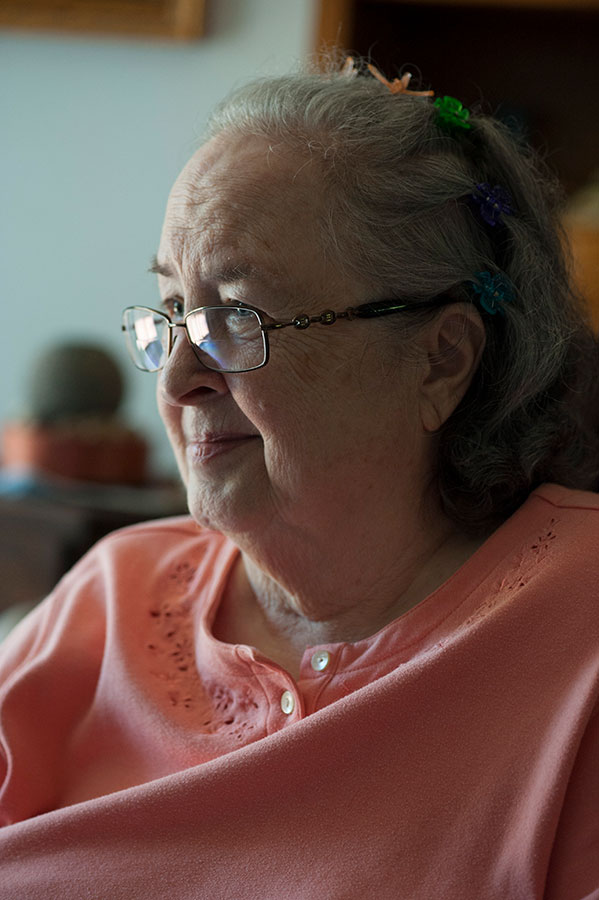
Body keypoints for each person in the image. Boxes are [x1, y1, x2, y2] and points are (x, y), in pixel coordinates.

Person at [1, 57, 598, 899]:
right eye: (172, 312)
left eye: (235, 317)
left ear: (440, 360)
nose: (175, 380)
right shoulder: (110, 593)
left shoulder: (580, 635)